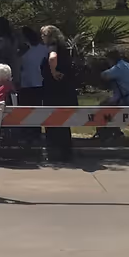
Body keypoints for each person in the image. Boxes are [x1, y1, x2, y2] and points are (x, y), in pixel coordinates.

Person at [40, 24, 77, 163]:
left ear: (49, 37)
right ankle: (65, 152)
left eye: (43, 35)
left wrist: (53, 71)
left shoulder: (52, 47)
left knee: (52, 121)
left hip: (53, 90)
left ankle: (54, 152)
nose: (42, 38)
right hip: (64, 90)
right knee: (64, 122)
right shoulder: (64, 48)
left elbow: (52, 58)